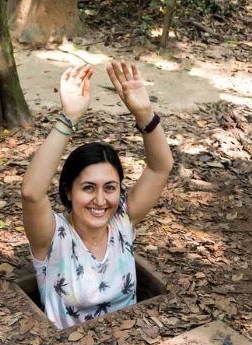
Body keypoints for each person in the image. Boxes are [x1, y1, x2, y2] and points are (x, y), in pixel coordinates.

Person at [21, 62, 173, 329]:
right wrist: (68, 118)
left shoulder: (122, 221)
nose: (101, 200)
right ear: (68, 190)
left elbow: (160, 167)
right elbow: (32, 193)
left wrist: (145, 114)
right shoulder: (52, 237)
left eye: (110, 187)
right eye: (88, 187)